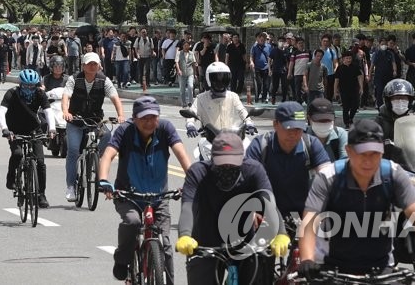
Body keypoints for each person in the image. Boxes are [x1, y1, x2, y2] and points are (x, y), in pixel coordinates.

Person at [297, 119, 415, 282]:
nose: (368, 161)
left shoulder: (393, 174)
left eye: (375, 154)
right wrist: (307, 259)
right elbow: (309, 223)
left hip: (381, 266)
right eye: (362, 154)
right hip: (332, 266)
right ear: (348, 151)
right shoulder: (329, 177)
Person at [95, 96, 192, 283]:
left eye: (153, 117)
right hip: (128, 195)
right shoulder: (125, 131)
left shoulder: (165, 129)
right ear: (134, 118)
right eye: (144, 118)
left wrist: (192, 179)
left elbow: (182, 153)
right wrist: (104, 180)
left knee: (165, 246)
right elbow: (108, 155)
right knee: (131, 222)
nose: (149, 122)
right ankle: (123, 260)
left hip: (159, 196)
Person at [175, 131, 276, 284]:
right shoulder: (198, 172)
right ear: (212, 157)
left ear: (243, 157)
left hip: (244, 240)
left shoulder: (254, 170)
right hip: (205, 242)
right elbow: (187, 207)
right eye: (222, 162)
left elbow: (269, 204)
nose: (228, 166)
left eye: (233, 162)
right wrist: (184, 235)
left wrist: (279, 233)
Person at [61, 52, 126, 202]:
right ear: (83, 65)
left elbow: (115, 98)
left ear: (99, 65)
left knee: (109, 139)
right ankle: (71, 186)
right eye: (89, 63)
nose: (92, 66)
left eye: (95, 64)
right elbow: (66, 96)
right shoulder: (74, 79)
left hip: (95, 121)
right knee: (72, 151)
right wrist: (66, 112)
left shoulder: (104, 80)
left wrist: (121, 115)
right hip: (76, 121)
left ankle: (98, 167)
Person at [0, 69, 52, 208]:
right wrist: (5, 129)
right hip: (14, 130)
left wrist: (52, 129)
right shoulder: (12, 93)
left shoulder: (40, 94)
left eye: (32, 86)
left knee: (40, 162)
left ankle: (41, 194)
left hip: (34, 129)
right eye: (26, 86)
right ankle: (11, 179)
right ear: (20, 84)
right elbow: (1, 111)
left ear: (37, 85)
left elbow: (48, 111)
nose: (29, 89)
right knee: (17, 154)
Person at [184, 62, 254, 140]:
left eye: (223, 78)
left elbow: (242, 111)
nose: (220, 81)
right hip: (209, 140)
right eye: (216, 78)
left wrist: (249, 123)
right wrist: (190, 125)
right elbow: (193, 113)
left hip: (230, 138)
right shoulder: (201, 98)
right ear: (209, 79)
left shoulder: (233, 96)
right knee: (197, 152)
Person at [332, 51, 364, 125]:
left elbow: (359, 77)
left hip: (354, 89)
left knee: (355, 105)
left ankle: (351, 117)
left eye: (350, 58)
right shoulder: (340, 68)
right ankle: (346, 122)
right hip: (344, 90)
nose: (349, 60)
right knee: (345, 107)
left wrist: (361, 88)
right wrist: (335, 91)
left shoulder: (355, 67)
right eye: (347, 58)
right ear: (343, 59)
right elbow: (336, 80)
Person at [249, 32, 271, 103]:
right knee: (259, 83)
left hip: (266, 67)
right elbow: (251, 57)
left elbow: (271, 57)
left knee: (266, 84)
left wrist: (270, 67)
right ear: (258, 39)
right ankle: (257, 96)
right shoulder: (254, 47)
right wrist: (251, 62)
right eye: (260, 38)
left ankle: (264, 98)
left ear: (265, 39)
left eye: (263, 38)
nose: (262, 39)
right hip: (257, 68)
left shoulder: (269, 47)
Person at [176, 39, 197, 108]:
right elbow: (177, 62)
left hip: (190, 72)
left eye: (187, 46)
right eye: (185, 46)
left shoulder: (191, 53)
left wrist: (195, 74)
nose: (186, 47)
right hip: (182, 73)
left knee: (190, 87)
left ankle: (190, 102)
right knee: (182, 89)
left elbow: (194, 63)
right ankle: (183, 103)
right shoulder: (179, 53)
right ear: (183, 46)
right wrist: (179, 70)